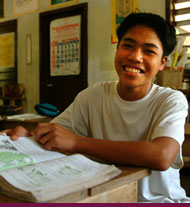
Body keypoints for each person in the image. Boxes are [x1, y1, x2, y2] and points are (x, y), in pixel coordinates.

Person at [3, 12, 190, 203]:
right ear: (117, 49)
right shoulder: (93, 96)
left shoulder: (170, 100)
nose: (135, 57)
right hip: (105, 197)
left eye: (149, 51)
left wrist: (77, 142)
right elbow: (55, 135)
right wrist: (28, 137)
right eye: (128, 46)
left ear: (162, 63)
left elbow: (161, 156)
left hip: (160, 201)